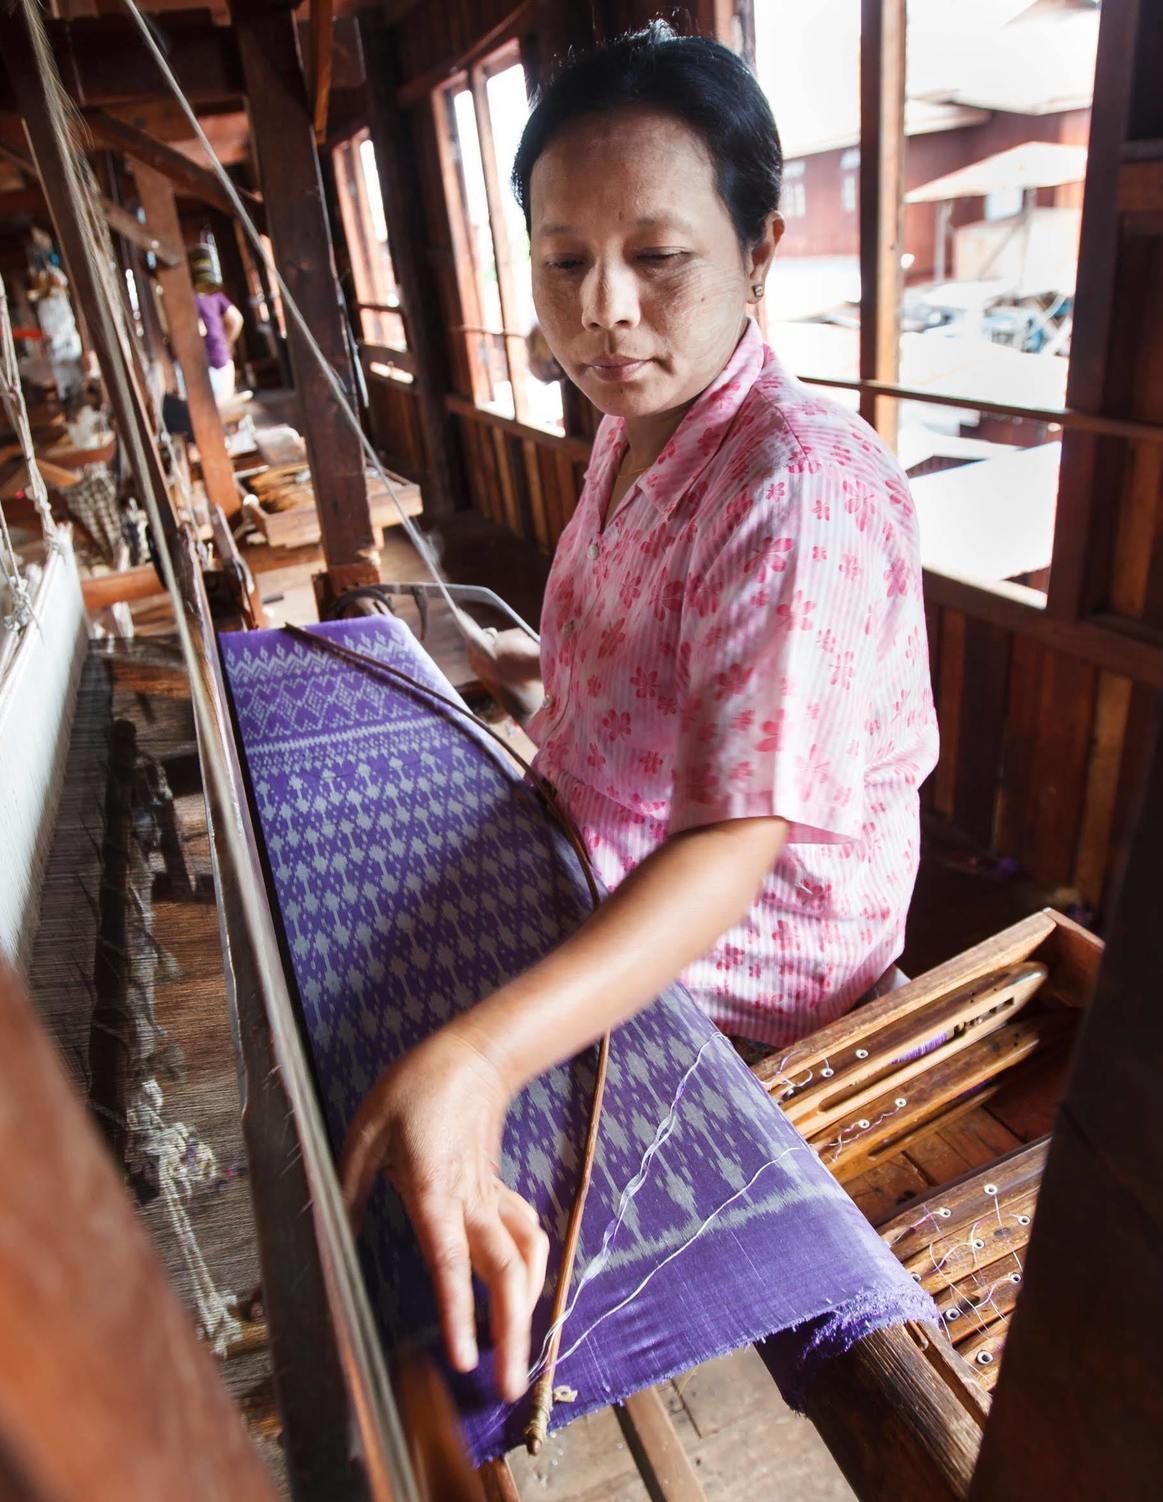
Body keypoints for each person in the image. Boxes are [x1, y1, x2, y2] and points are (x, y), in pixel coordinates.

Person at [337, 23, 937, 1404]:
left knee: (420, 1078)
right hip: (622, 850)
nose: (603, 306)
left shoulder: (789, 481)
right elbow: (676, 692)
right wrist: (546, 676)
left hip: (769, 965)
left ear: (759, 248)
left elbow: (734, 838)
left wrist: (482, 1057)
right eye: (563, 261)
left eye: (658, 258)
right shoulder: (634, 423)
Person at [195, 273, 245, 402]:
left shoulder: (186, 300)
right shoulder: (214, 294)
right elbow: (236, 318)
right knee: (226, 406)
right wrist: (227, 342)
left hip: (202, 362)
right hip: (220, 356)